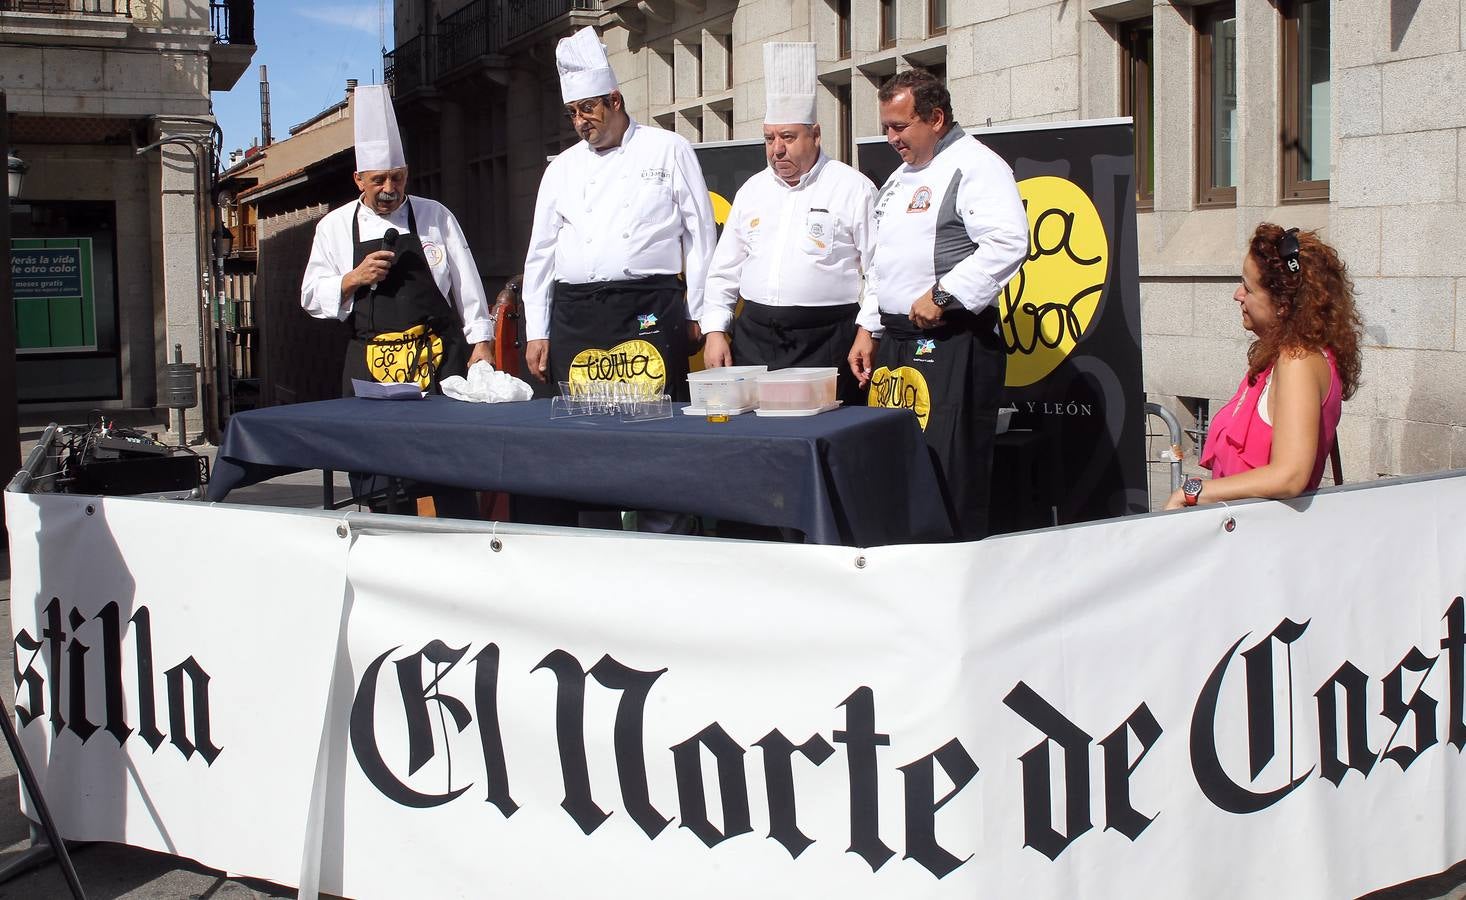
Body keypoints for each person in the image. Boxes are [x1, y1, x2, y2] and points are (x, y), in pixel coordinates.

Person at [848, 69, 1029, 540]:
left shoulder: (977, 166)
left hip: (951, 342)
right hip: (897, 343)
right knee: (895, 459)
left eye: (899, 126)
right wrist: (868, 328)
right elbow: (880, 263)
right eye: (886, 127)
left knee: (947, 467)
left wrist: (944, 294)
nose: (890, 138)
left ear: (936, 118)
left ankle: (950, 569)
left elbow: (1008, 243)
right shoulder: (895, 180)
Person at [301, 84, 495, 518]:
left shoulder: (434, 215)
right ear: (358, 180)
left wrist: (481, 341)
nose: (390, 189)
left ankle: (464, 552)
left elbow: (466, 283)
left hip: (438, 359)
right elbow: (311, 296)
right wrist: (352, 279)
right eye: (378, 181)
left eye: (398, 177)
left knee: (452, 471)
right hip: (372, 367)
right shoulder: (333, 227)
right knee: (379, 478)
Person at [522, 25, 716, 402]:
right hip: (576, 315)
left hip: (649, 309)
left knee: (657, 416)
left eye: (588, 108)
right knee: (582, 424)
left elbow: (700, 236)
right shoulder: (560, 168)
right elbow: (540, 254)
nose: (580, 121)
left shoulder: (669, 148)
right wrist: (536, 331)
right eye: (573, 113)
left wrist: (699, 312)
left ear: (615, 99)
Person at [701, 42, 874, 404]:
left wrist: (867, 329)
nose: (777, 149)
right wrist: (716, 329)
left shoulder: (852, 188)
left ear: (816, 134)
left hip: (826, 340)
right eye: (769, 138)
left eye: (788, 137)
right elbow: (724, 270)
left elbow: (879, 270)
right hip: (755, 339)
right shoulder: (752, 190)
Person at [1165, 224, 1363, 510]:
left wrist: (1192, 492)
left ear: (1282, 304)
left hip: (1262, 540)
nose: (1237, 295)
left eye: (1248, 287)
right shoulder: (1286, 355)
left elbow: (1289, 476)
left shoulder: (1299, 361)